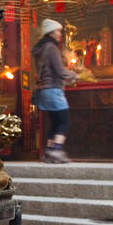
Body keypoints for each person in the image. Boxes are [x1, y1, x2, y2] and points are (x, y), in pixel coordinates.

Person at [32, 20, 77, 163]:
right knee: (64, 122)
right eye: (57, 31)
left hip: (44, 91)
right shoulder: (51, 48)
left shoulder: (40, 49)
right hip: (53, 90)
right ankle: (56, 150)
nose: (60, 34)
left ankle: (49, 152)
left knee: (55, 123)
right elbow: (59, 70)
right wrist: (75, 75)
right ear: (50, 32)